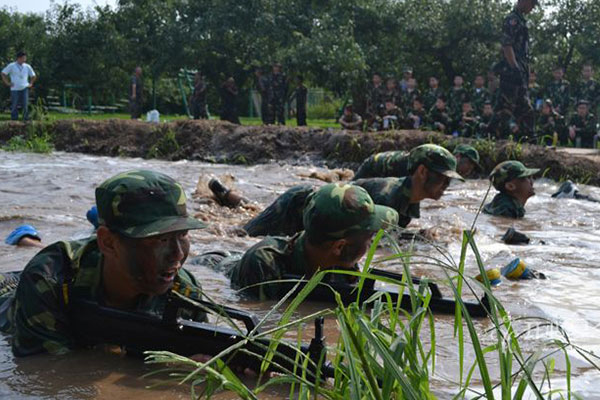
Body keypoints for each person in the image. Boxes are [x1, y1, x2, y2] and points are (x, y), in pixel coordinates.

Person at [0, 170, 207, 356]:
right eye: (161, 240)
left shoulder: (185, 293)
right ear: (108, 242)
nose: (177, 254)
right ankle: (25, 237)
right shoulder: (49, 279)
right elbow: (46, 375)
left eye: (182, 235)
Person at [208, 184, 399, 300]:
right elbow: (257, 312)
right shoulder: (265, 262)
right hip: (213, 265)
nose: (371, 245)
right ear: (339, 247)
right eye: (370, 238)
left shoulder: (344, 266)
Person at [243, 144, 463, 236]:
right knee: (245, 235)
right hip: (297, 205)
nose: (446, 186)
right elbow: (368, 240)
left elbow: (388, 238)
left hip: (322, 218)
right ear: (423, 172)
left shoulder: (410, 204)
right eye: (443, 179)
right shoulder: (387, 196)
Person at [488, 0, 538, 138]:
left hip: (519, 70)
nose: (532, 8)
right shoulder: (512, 20)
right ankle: (489, 137)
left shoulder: (521, 20)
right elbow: (507, 45)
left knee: (524, 109)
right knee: (504, 109)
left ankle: (529, 139)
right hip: (511, 72)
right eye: (532, 4)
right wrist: (515, 68)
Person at [2, 51, 37, 121]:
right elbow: (3, 73)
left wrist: (31, 83)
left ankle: (25, 119)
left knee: (25, 104)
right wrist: (7, 83)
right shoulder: (12, 65)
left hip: (24, 88)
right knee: (14, 105)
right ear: (19, 58)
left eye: (25, 58)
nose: (24, 59)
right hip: (14, 88)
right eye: (23, 58)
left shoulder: (27, 66)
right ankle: (14, 120)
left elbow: (33, 76)